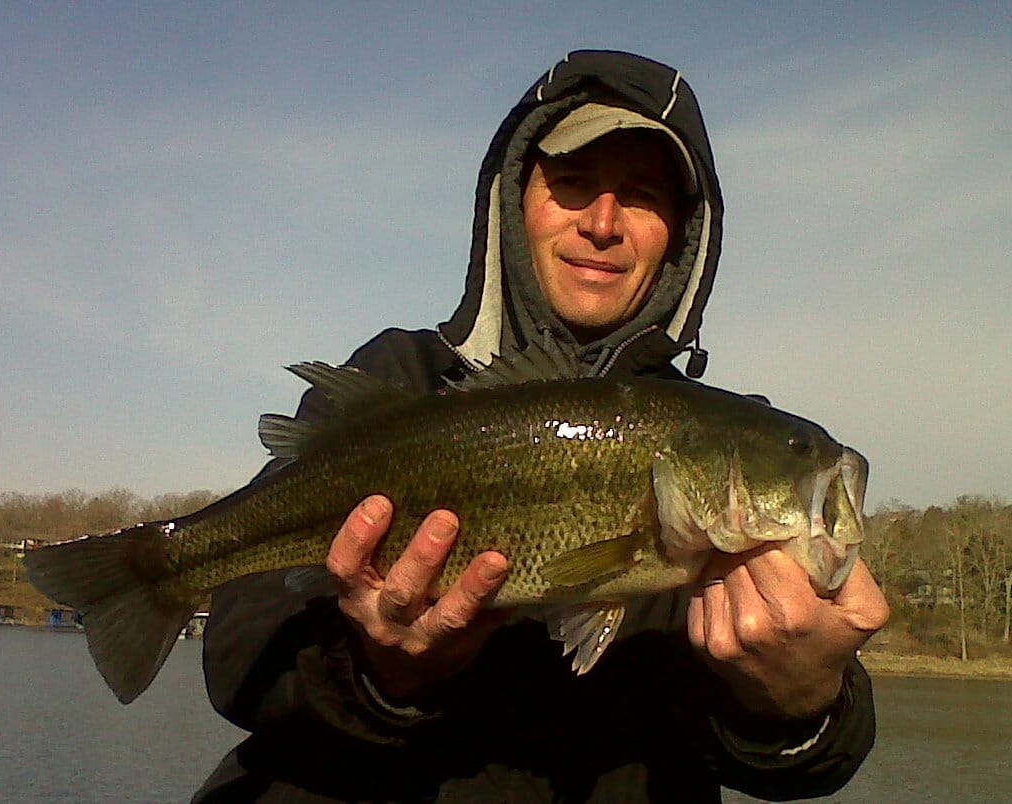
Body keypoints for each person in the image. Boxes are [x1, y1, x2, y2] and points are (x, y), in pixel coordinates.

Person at [194, 49, 889, 802]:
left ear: (681, 238)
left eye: (643, 194)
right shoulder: (401, 381)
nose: (602, 222)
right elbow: (238, 653)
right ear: (513, 201)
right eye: (574, 183)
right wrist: (377, 672)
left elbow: (812, 759)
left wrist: (799, 698)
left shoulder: (719, 442)